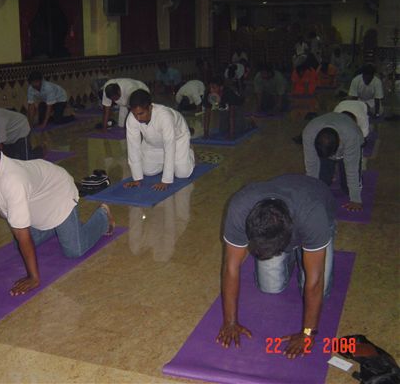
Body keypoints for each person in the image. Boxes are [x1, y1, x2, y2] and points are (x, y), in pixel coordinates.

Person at [0, 131, 114, 296]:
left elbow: (21, 231)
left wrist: (33, 277)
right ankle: (57, 227)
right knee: (19, 245)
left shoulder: (12, 180)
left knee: (74, 250)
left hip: (57, 192)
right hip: (36, 205)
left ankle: (103, 217)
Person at [216, 175, 335, 359]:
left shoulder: (313, 214)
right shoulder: (241, 208)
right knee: (269, 287)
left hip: (315, 206)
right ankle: (293, 258)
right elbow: (230, 267)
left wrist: (307, 333)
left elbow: (315, 281)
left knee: (320, 290)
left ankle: (300, 252)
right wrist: (230, 322)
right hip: (288, 218)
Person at [124, 89, 194, 192]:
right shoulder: (131, 119)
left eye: (141, 113)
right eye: (135, 114)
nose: (138, 118)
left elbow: (170, 146)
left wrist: (166, 180)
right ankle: (165, 162)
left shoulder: (164, 116)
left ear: (150, 107)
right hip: (152, 143)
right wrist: (137, 178)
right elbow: (133, 147)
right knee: (147, 171)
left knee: (182, 173)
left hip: (177, 140)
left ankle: (189, 153)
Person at [302, 112, 364, 211]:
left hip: (352, 143)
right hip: (327, 145)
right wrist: (312, 194)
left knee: (347, 189)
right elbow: (311, 165)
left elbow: (352, 169)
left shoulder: (351, 136)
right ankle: (331, 170)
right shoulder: (309, 134)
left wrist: (355, 199)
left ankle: (338, 170)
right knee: (322, 184)